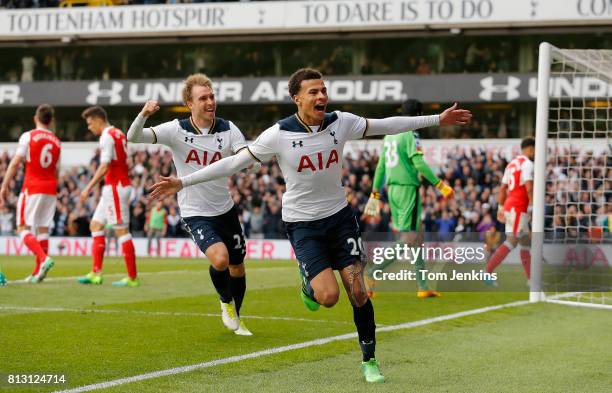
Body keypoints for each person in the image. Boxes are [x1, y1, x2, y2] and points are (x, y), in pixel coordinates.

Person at [148, 68, 471, 383]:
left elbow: (386, 124)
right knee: (328, 297)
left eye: (323, 90)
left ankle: (369, 360)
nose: (321, 96)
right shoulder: (278, 134)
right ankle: (308, 282)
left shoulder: (340, 123)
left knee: (358, 291)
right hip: (303, 224)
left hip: (340, 219)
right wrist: (182, 181)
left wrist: (436, 120)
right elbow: (232, 163)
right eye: (313, 92)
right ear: (296, 99)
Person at [127, 73, 255, 336]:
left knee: (238, 267)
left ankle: (238, 317)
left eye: (212, 96)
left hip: (226, 209)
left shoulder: (229, 129)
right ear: (190, 103)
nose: (210, 102)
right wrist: (144, 114)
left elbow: (245, 158)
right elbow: (134, 136)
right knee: (220, 260)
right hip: (195, 211)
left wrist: (249, 160)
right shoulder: (176, 130)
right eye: (203, 98)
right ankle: (225, 303)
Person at [363, 99, 454, 299]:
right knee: (409, 239)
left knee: (416, 237)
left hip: (393, 190)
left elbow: (381, 167)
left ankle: (423, 285)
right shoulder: (411, 133)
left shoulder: (389, 136)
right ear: (419, 115)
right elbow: (419, 162)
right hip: (407, 189)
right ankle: (371, 273)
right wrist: (440, 185)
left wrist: (375, 193)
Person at [77, 106, 138, 287]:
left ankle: (132, 278)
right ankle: (96, 273)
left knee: (121, 230)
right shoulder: (118, 133)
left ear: (97, 120)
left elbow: (104, 166)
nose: (89, 127)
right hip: (115, 187)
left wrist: (87, 187)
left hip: (116, 188)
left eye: (89, 123)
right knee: (95, 224)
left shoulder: (106, 136)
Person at [0, 104, 60, 283]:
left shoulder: (28, 136)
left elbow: (16, 162)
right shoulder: (57, 141)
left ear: (36, 118)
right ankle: (37, 272)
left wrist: (4, 185)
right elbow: (56, 170)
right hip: (50, 188)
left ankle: (43, 259)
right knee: (43, 229)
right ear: (51, 120)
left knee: (22, 228)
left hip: (32, 187)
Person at [484, 137, 535, 285]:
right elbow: (529, 187)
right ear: (530, 149)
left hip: (510, 206)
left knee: (525, 242)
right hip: (519, 207)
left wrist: (501, 208)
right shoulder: (527, 164)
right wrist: (532, 207)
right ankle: (487, 272)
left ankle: (531, 279)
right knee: (512, 241)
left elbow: (502, 189)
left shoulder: (511, 164)